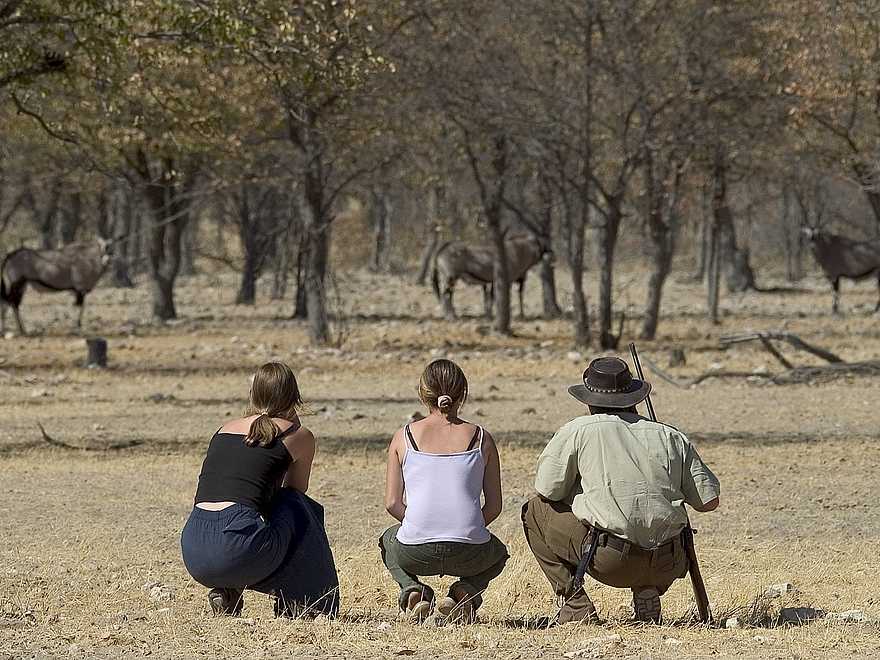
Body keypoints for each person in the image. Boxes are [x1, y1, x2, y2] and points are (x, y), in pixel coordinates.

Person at [521, 356, 720, 624]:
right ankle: (646, 587)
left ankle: (576, 604)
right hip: (669, 562)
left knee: (534, 511)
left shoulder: (579, 430)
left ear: (589, 400)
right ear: (634, 397)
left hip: (609, 561)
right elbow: (709, 502)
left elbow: (548, 491)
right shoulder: (670, 435)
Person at [180, 362, 339, 618]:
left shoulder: (223, 429)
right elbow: (295, 490)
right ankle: (308, 601)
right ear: (294, 396)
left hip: (194, 549)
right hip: (237, 548)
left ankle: (228, 591)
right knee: (298, 506)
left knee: (249, 518)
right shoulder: (298, 435)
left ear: (253, 394)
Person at [380, 359, 509, 623]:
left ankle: (413, 591)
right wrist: (467, 526)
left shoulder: (403, 437)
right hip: (469, 551)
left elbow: (392, 503)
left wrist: (419, 523)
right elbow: (494, 506)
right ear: (463, 393)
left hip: (415, 552)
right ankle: (464, 593)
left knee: (388, 540)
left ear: (422, 393)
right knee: (498, 553)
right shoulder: (482, 438)